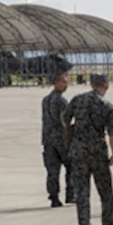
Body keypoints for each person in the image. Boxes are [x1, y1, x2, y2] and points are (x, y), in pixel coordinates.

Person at [62, 74, 113, 225]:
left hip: (78, 150)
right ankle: (108, 221)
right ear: (106, 86)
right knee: (105, 188)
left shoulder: (77, 100)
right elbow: (112, 134)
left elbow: (65, 120)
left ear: (92, 85)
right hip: (98, 151)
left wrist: (74, 132)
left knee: (81, 191)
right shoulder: (108, 106)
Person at [41, 72, 73, 207]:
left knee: (52, 170)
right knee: (71, 166)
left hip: (48, 138)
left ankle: (54, 197)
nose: (66, 85)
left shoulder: (45, 99)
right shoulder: (61, 101)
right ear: (56, 83)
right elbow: (65, 121)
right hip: (61, 139)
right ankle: (71, 194)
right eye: (64, 82)